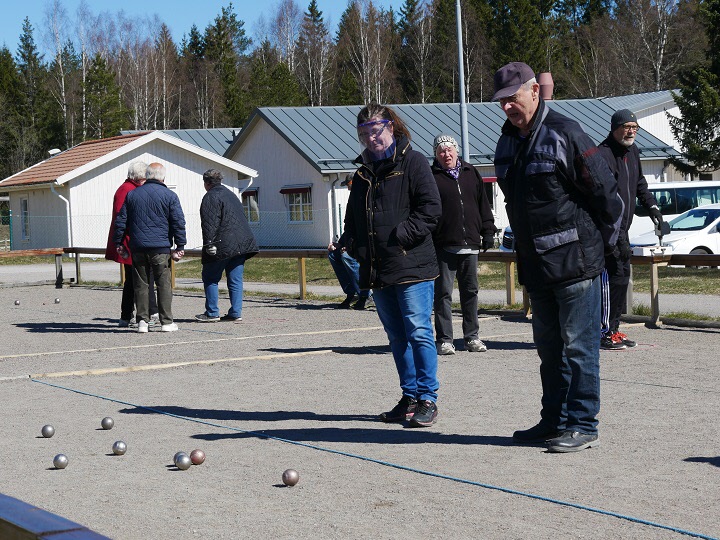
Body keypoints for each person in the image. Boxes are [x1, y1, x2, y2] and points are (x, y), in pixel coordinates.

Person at [493, 62, 622, 452]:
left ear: (535, 91)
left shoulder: (566, 132)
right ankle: (555, 420)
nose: (507, 108)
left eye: (513, 98)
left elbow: (607, 196)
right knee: (549, 351)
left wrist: (601, 248)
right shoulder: (506, 142)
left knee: (579, 349)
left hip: (576, 264)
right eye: (501, 102)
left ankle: (583, 424)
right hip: (536, 267)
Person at [338, 103, 442, 428]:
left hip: (412, 265)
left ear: (391, 127)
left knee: (419, 332)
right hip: (377, 268)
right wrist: (352, 243)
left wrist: (400, 236)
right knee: (397, 337)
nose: (371, 138)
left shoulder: (414, 162)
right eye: (364, 133)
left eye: (376, 130)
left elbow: (430, 210)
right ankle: (409, 397)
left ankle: (428, 398)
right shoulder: (362, 173)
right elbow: (353, 218)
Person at [597, 109, 663, 350]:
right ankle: (602, 332)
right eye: (627, 127)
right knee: (611, 279)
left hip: (623, 228)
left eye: (634, 128)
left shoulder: (632, 151)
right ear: (615, 128)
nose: (631, 132)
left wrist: (652, 207)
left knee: (623, 278)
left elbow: (639, 183)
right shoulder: (602, 154)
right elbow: (603, 197)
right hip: (607, 229)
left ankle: (613, 329)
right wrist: (615, 236)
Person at [431, 134, 497, 355]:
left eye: (449, 149)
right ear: (436, 154)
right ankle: (444, 340)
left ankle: (472, 337)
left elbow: (483, 204)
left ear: (456, 151)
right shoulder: (431, 176)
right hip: (443, 244)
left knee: (470, 292)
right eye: (441, 151)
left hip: (470, 244)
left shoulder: (471, 172)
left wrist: (488, 230)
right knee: (443, 294)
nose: (446, 154)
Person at [115, 162, 186, 333]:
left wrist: (119, 243)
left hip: (138, 246)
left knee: (141, 284)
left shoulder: (132, 195)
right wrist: (180, 245)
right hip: (160, 247)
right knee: (163, 284)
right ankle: (166, 322)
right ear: (163, 177)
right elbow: (178, 222)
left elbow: (121, 220)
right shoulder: (170, 195)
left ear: (147, 176)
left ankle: (142, 322)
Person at [195, 169, 258, 322]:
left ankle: (212, 312)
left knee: (210, 277)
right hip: (241, 243)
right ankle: (236, 312)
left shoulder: (210, 197)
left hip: (222, 244)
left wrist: (209, 244)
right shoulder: (231, 195)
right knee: (235, 279)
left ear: (206, 183)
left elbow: (210, 223)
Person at [104, 161, 159, 327]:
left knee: (133, 279)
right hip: (129, 241)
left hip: (132, 239)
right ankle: (137, 314)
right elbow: (122, 217)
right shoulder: (126, 190)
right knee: (137, 279)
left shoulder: (129, 189)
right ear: (140, 177)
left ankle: (128, 315)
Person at [328, 178, 372, 310]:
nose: (348, 189)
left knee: (347, 256)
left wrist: (349, 245)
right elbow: (350, 226)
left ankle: (365, 294)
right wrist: (340, 244)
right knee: (333, 255)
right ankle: (351, 292)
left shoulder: (365, 199)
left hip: (367, 243)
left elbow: (364, 228)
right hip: (354, 241)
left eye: (349, 185)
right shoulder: (353, 200)